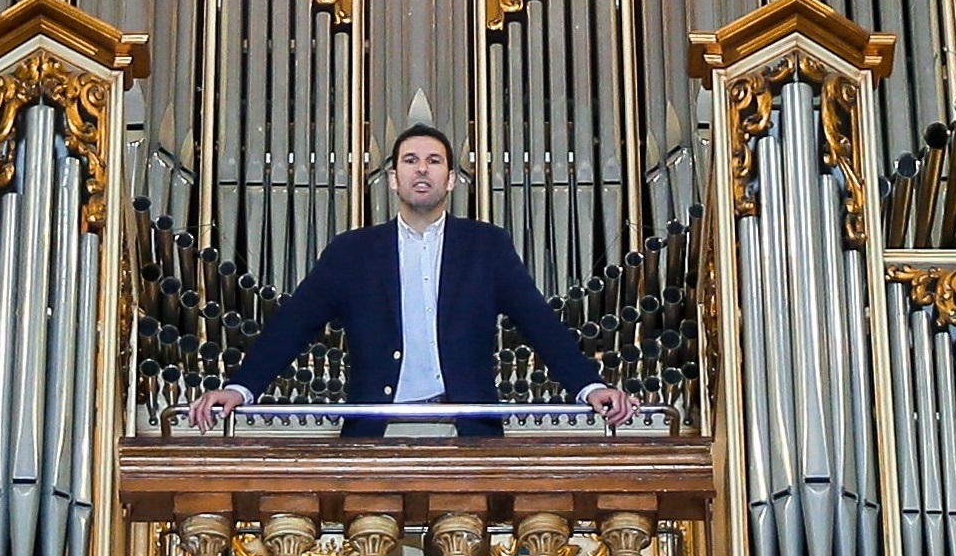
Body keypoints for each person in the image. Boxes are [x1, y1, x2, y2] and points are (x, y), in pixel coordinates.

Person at [187, 123, 638, 437]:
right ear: (392, 180)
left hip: (465, 428)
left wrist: (590, 386)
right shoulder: (351, 251)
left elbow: (541, 324)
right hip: (378, 428)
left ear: (452, 180)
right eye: (411, 160)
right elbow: (292, 326)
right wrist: (239, 387)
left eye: (434, 161)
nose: (422, 169)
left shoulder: (488, 245)